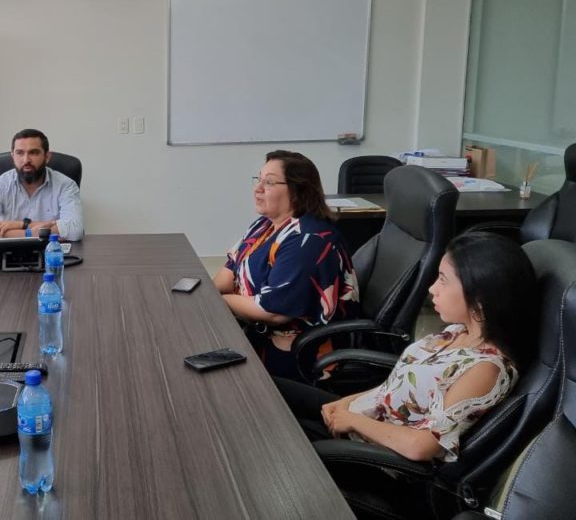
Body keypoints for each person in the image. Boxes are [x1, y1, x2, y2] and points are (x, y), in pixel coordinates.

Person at [276, 232, 537, 463]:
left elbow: (421, 446)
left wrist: (353, 420)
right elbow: (396, 388)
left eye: (443, 280)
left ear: (480, 297)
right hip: (363, 419)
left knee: (268, 428)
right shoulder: (458, 332)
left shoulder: (485, 369)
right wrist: (346, 403)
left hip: (372, 454)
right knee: (264, 389)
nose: (432, 288)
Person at [213, 150, 359, 380]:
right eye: (258, 179)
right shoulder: (264, 224)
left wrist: (218, 301)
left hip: (296, 350)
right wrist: (207, 295)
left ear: (297, 191)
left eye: (269, 182)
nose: (258, 188)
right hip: (252, 327)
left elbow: (271, 311)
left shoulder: (308, 240)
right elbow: (231, 267)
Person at [0, 129, 84, 241]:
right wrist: (35, 233)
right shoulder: (0, 185)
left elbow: (75, 229)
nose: (26, 160)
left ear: (47, 157)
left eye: (33, 153)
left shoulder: (66, 185)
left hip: (51, 252)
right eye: (20, 153)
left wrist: (20, 225)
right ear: (13, 157)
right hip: (9, 255)